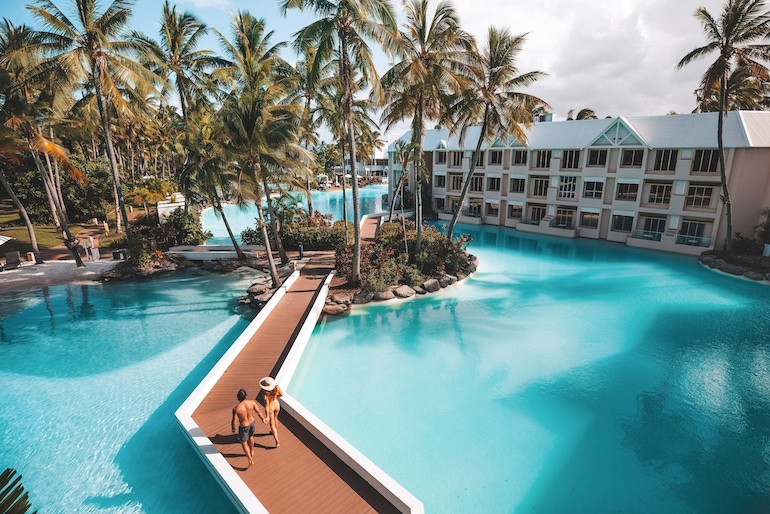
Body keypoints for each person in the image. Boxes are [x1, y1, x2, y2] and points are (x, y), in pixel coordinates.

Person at [231, 388, 267, 467]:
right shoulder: (252, 403)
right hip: (252, 422)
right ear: (245, 396)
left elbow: (234, 421)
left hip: (244, 426)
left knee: (244, 442)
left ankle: (250, 460)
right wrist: (263, 419)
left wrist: (233, 428)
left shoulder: (236, 408)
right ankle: (252, 450)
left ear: (238, 397)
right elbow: (258, 412)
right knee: (251, 436)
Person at [260, 377, 284, 447]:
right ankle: (275, 431)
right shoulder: (276, 387)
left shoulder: (265, 394)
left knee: (272, 424)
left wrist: (267, 416)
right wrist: (275, 397)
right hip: (276, 404)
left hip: (270, 407)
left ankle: (277, 441)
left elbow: (267, 406)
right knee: (276, 418)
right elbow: (281, 394)